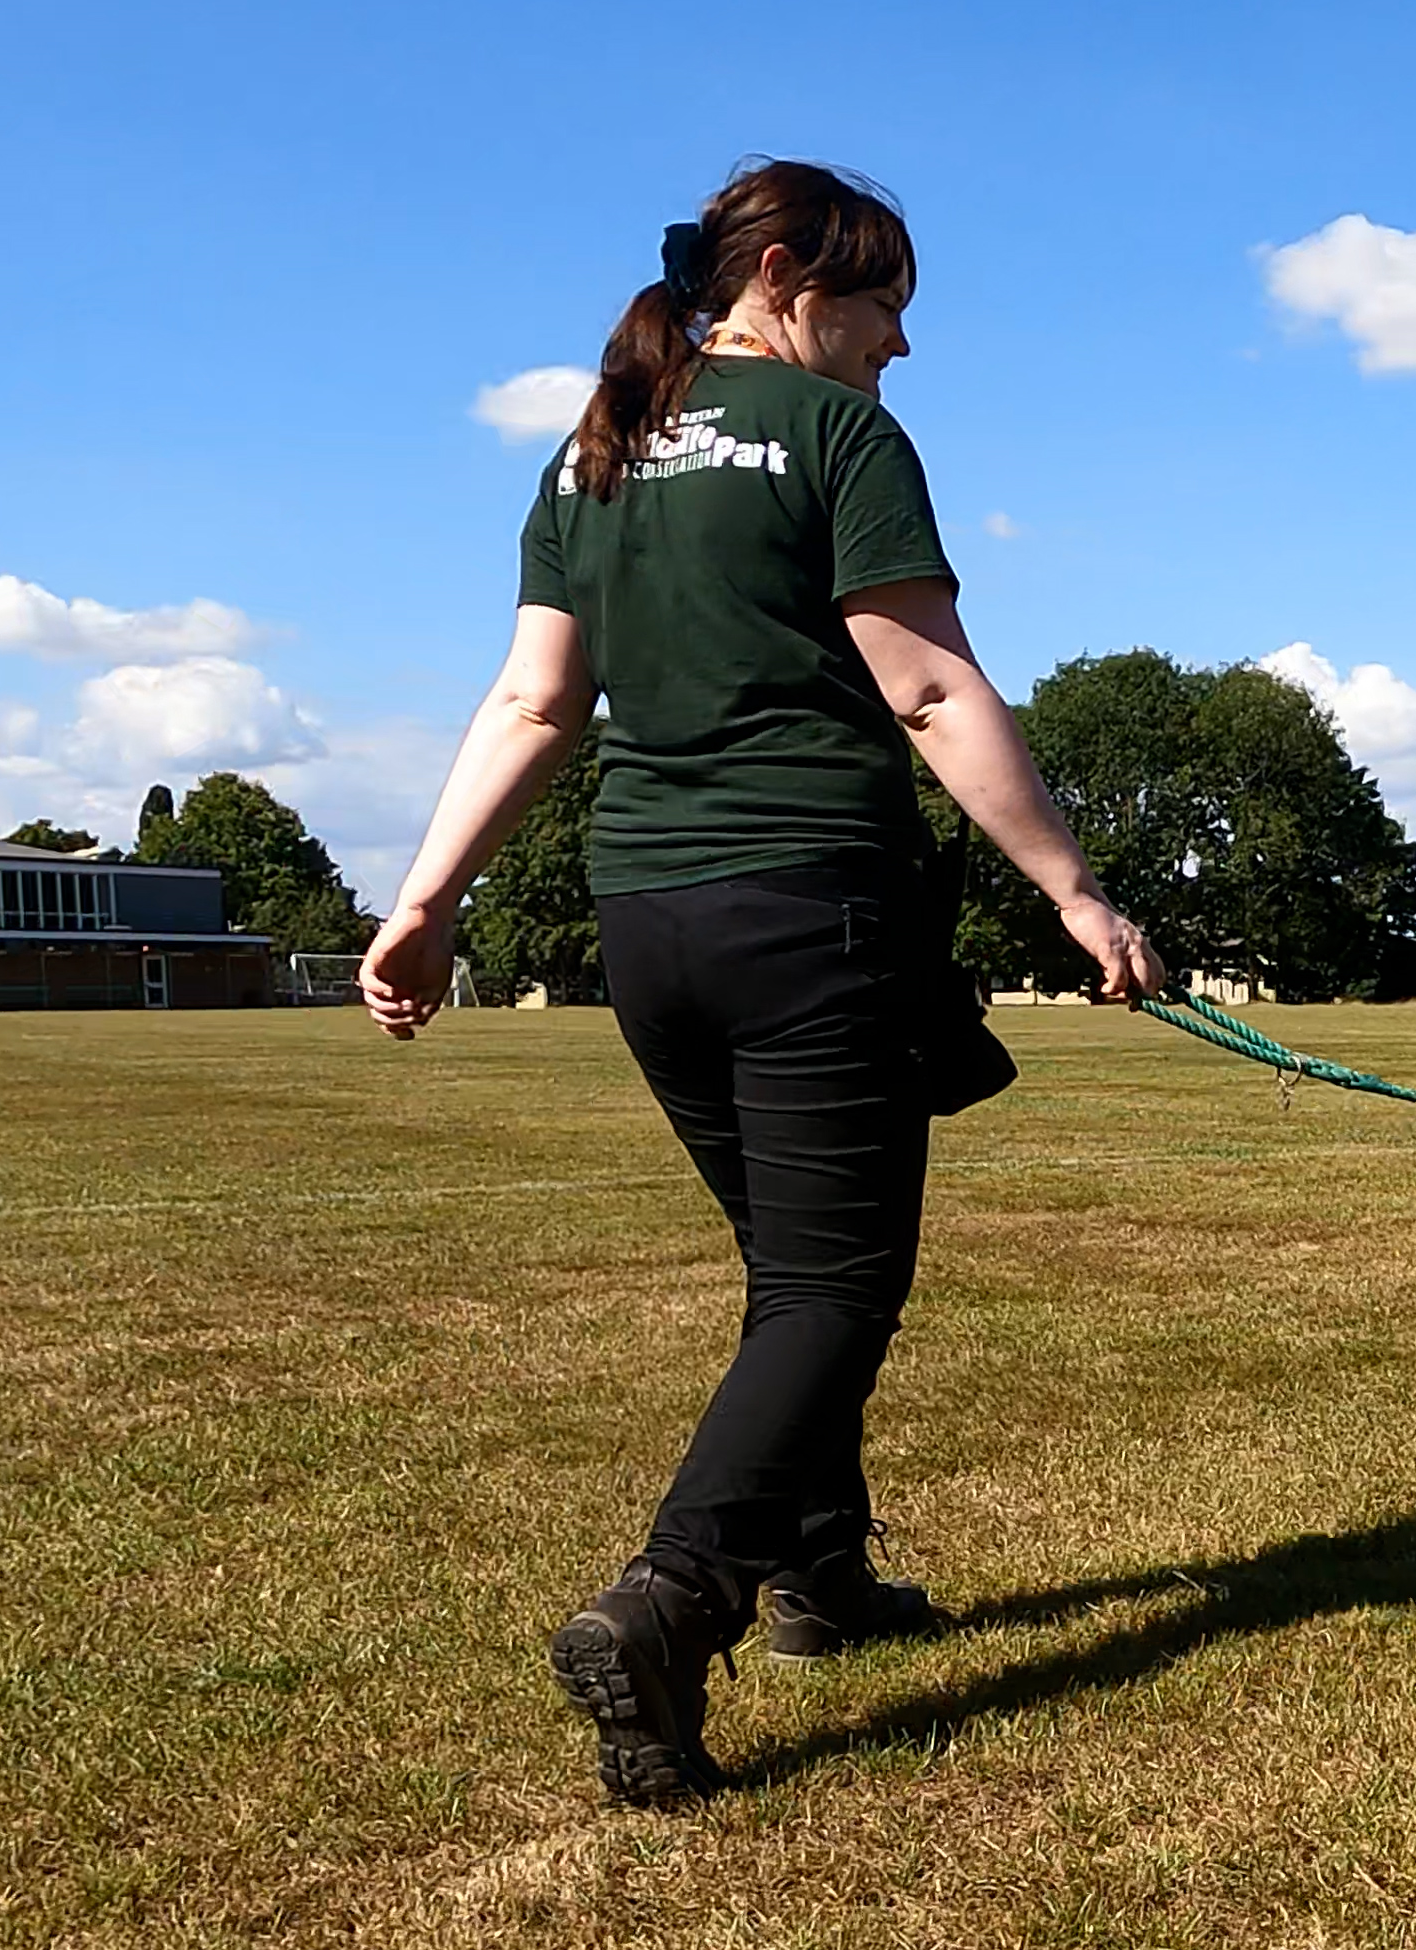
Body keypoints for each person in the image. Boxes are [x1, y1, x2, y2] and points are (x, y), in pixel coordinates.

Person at [359, 158, 1165, 1804]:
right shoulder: (837, 440)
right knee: (831, 1290)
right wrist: (1075, 889)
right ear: (789, 278)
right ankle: (672, 1601)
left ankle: (823, 1573)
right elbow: (931, 689)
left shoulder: (600, 445)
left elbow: (532, 704)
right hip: (812, 910)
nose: (898, 348)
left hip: (647, 924)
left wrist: (427, 898)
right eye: (883, 307)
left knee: (786, 1267)